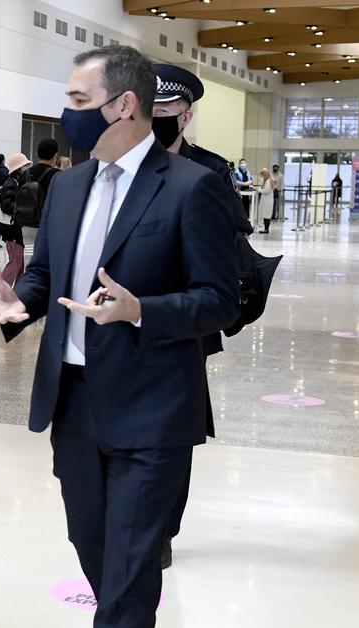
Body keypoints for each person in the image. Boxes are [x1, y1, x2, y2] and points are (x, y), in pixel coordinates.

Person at [0, 45, 238, 628]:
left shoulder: (190, 188)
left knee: (124, 572)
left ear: (124, 106)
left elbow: (218, 299)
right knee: (96, 551)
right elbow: (44, 276)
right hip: (77, 405)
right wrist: (17, 305)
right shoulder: (67, 187)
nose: (68, 115)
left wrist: (142, 309)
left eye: (79, 102)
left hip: (154, 409)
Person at [149, 63, 252, 568]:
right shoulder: (120, 161)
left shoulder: (210, 169)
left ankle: (164, 527)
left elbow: (229, 241)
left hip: (186, 318)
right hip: (121, 315)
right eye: (147, 106)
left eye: (165, 109)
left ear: (185, 115)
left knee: (174, 428)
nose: (154, 116)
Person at [0, 152, 32, 286]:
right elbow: (6, 205)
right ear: (18, 169)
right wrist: (22, 207)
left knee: (20, 263)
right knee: (15, 262)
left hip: (16, 230)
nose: (28, 168)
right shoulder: (11, 184)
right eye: (25, 165)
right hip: (12, 231)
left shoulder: (18, 182)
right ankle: (0, 291)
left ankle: (18, 292)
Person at [258, 169, 275, 233]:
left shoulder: (268, 181)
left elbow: (266, 191)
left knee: (266, 215)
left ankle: (266, 229)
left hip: (267, 201)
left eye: (262, 176)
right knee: (267, 214)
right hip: (267, 201)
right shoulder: (269, 180)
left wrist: (259, 190)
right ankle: (266, 228)